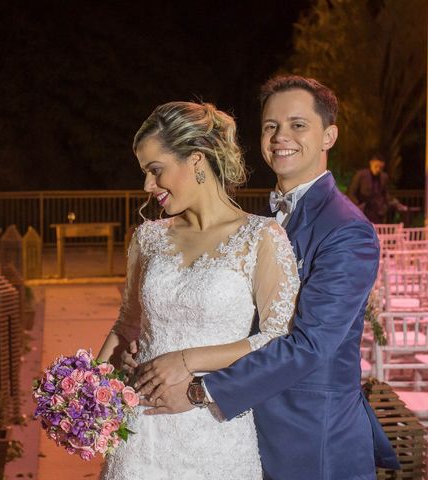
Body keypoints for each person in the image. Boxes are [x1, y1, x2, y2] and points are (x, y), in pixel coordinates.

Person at [130, 76, 400, 479]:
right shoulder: (255, 222)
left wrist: (198, 389)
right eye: (271, 126)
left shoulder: (346, 230)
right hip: (241, 434)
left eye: (297, 125)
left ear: (329, 135)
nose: (280, 137)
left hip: (311, 440)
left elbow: (309, 346)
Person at [96, 101, 300, 479]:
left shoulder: (260, 237)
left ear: (196, 159)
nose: (147, 186)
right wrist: (88, 385)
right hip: (141, 435)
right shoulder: (148, 238)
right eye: (144, 173)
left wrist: (188, 359)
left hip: (213, 430)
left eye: (156, 171)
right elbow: (127, 324)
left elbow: (277, 339)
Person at [348, 153, 408, 223]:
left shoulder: (384, 177)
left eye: (380, 167)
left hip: (378, 211)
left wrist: (397, 204)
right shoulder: (361, 175)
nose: (378, 169)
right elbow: (352, 192)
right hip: (363, 210)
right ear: (371, 163)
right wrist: (357, 207)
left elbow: (386, 194)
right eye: (376, 166)